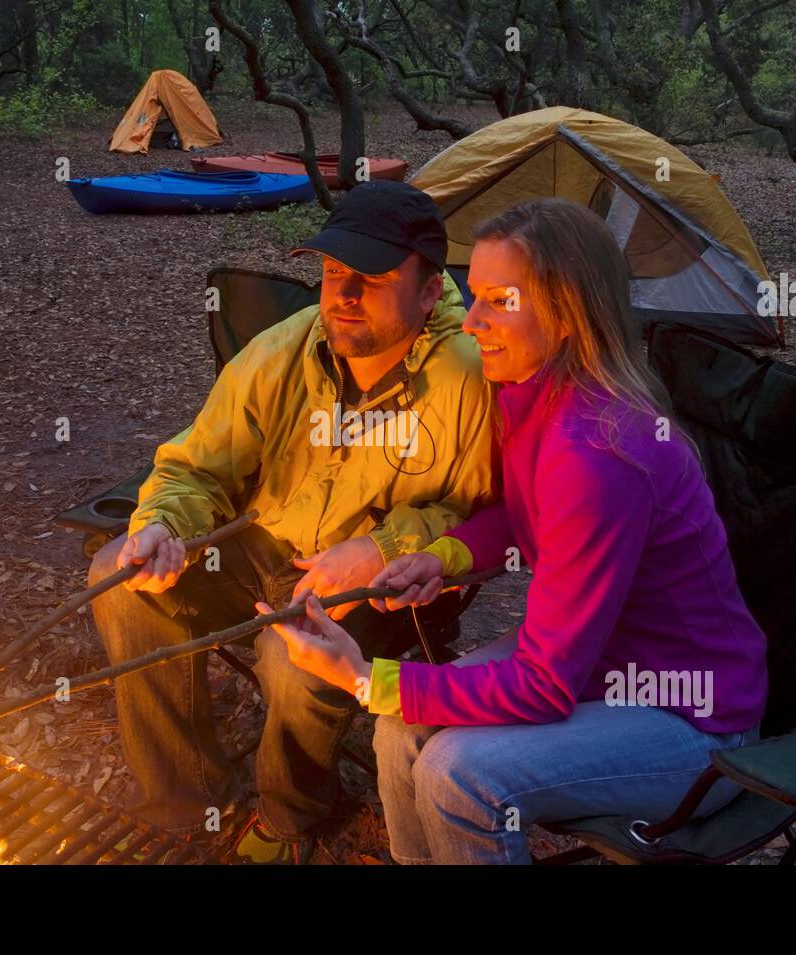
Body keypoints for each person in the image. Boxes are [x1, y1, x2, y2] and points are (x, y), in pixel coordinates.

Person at [262, 197, 769, 864]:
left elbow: (542, 684)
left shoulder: (599, 453)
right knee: (399, 729)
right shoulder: (530, 394)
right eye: (473, 296)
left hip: (693, 719)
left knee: (458, 773)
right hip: (603, 661)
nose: (471, 323)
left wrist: (361, 676)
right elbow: (520, 515)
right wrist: (443, 555)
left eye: (500, 301)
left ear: (566, 314)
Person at [87, 181, 496, 864]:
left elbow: (477, 518)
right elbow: (198, 466)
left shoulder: (465, 378)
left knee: (294, 655)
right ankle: (187, 799)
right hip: (267, 539)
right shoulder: (286, 349)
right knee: (118, 575)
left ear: (428, 294)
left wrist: (383, 545)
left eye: (371, 278)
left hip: (379, 583)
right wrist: (161, 522)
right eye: (334, 272)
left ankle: (291, 815)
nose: (342, 294)